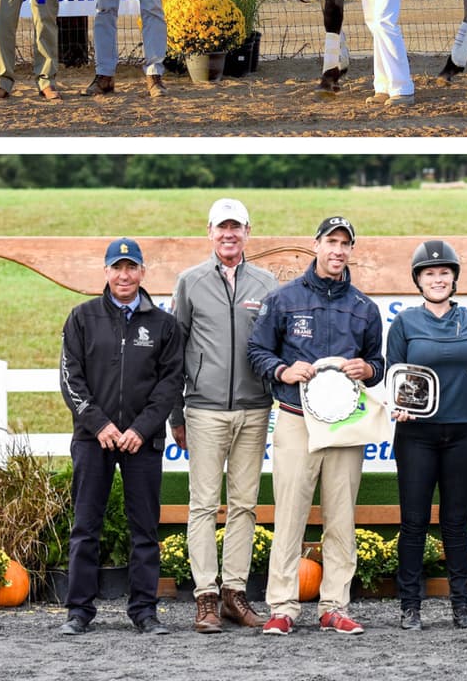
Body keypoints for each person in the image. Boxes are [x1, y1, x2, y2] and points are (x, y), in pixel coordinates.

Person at [247, 215, 386, 636]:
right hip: (296, 420)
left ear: (351, 250)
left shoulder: (364, 308)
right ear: (316, 244)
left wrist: (368, 369)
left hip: (345, 426)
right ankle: (282, 606)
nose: (338, 250)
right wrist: (282, 370)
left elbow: (377, 364)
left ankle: (334, 606)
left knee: (341, 518)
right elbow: (257, 351)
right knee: (289, 514)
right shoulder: (283, 299)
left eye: (345, 243)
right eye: (331, 241)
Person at [58, 237, 184, 636]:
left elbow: (170, 383)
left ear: (143, 272)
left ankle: (144, 611)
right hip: (92, 439)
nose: (124, 275)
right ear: (106, 272)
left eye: (131, 268)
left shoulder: (164, 325)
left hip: (142, 442)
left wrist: (140, 429)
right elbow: (70, 379)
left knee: (144, 529)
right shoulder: (82, 318)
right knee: (85, 527)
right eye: (117, 267)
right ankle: (79, 611)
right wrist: (100, 425)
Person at [387, 240, 467, 631]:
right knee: (414, 522)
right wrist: (398, 405)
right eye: (429, 273)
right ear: (418, 280)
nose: (437, 279)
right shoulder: (405, 323)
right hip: (416, 435)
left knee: (456, 523)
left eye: (444, 273)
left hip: (461, 433)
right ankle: (410, 606)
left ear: (454, 278)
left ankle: (461, 605)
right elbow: (393, 375)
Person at [170, 198, 279, 633]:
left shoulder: (267, 284)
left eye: (236, 227)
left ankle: (234, 592)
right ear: (210, 232)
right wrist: (176, 413)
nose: (229, 234)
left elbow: (274, 345)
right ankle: (206, 597)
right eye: (222, 227)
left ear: (248, 232)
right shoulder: (190, 282)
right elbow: (175, 349)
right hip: (203, 409)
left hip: (254, 409)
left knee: (245, 505)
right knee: (202, 505)